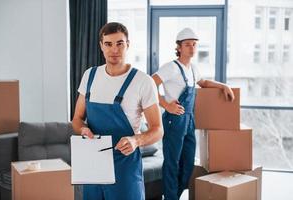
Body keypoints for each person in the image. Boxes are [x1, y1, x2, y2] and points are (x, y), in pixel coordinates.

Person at [72, 22, 163, 200]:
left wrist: (136, 140)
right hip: (93, 164)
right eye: (108, 44)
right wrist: (82, 129)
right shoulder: (89, 76)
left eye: (119, 43)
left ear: (127, 44)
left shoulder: (143, 81)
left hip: (125, 165)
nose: (114, 50)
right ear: (101, 46)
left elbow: (158, 129)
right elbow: (76, 118)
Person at [152, 28, 235, 200]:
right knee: (172, 163)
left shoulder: (193, 69)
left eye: (194, 45)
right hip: (174, 120)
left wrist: (223, 86)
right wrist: (166, 106)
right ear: (179, 47)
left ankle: (173, 195)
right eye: (187, 45)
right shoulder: (170, 67)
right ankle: (170, 197)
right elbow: (150, 85)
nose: (191, 48)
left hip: (189, 120)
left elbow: (203, 82)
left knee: (188, 163)